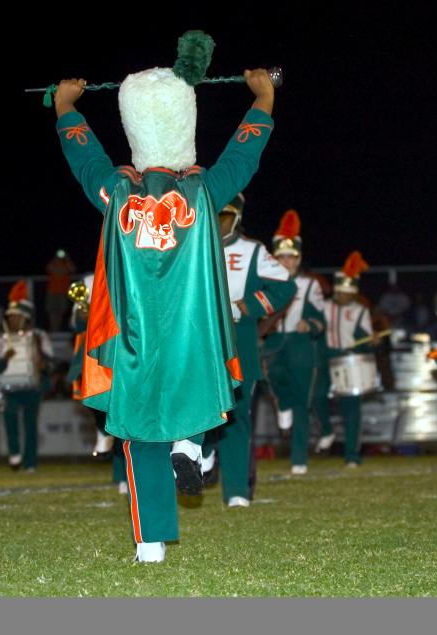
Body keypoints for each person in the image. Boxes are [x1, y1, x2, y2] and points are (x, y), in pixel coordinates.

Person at [53, 30, 275, 562]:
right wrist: (263, 98)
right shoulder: (202, 192)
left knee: (139, 434)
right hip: (189, 333)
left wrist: (65, 108)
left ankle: (151, 541)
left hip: (132, 333)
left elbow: (84, 159)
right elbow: (243, 157)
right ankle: (191, 443)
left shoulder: (116, 193)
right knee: (203, 388)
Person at [202, 193, 294, 506]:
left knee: (238, 415)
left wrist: (250, 305)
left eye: (224, 216)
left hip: (239, 339)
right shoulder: (193, 245)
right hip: (200, 339)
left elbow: (284, 285)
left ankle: (237, 492)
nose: (218, 222)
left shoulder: (252, 250)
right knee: (200, 410)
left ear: (237, 218)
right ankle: (203, 457)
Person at [265, 210, 326, 475]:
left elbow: (321, 321)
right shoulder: (265, 282)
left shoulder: (310, 285)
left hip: (301, 347)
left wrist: (309, 325)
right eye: (281, 256)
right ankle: (283, 404)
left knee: (303, 403)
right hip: (275, 343)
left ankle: (299, 459)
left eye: (291, 257)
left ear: (298, 259)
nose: (287, 261)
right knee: (276, 379)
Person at [67, 272, 129, 493]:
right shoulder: (88, 280)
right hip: (98, 347)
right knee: (101, 400)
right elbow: (75, 323)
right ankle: (103, 433)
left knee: (126, 411)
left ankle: (125, 475)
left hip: (127, 345)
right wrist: (83, 315)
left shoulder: (133, 264)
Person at [0, 281, 53, 472]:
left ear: (25, 318)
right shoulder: (1, 339)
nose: (13, 320)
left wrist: (42, 362)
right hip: (9, 388)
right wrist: (4, 360)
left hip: (31, 387)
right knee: (10, 423)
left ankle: (30, 462)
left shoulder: (38, 336)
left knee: (30, 425)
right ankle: (14, 454)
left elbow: (50, 362)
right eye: (11, 317)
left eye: (17, 317)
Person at [317, 251, 376, 466]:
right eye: (342, 293)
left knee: (351, 409)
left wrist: (372, 341)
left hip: (348, 360)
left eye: (349, 295)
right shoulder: (324, 307)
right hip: (325, 357)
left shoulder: (361, 311)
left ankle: (352, 455)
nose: (345, 298)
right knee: (316, 396)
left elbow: (366, 339)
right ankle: (327, 429)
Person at [45, 250, 76, 331]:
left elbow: (73, 270)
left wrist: (67, 259)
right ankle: (53, 328)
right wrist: (55, 259)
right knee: (52, 311)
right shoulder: (53, 263)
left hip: (63, 291)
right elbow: (48, 268)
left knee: (61, 311)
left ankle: (57, 328)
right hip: (52, 291)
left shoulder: (66, 264)